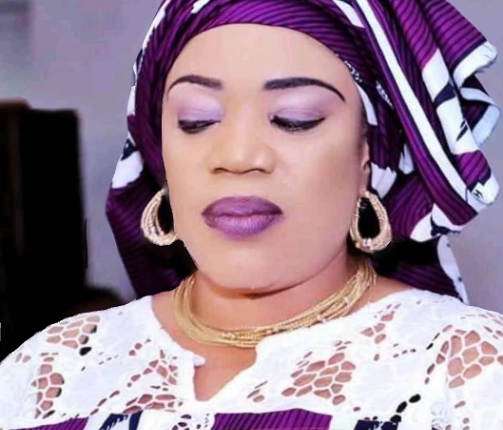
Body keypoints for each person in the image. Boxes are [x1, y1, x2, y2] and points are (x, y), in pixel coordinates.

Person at [1, 1, 502, 429]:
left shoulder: (468, 373)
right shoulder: (49, 370)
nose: (238, 156)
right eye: (196, 121)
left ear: (367, 157)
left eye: (294, 119)